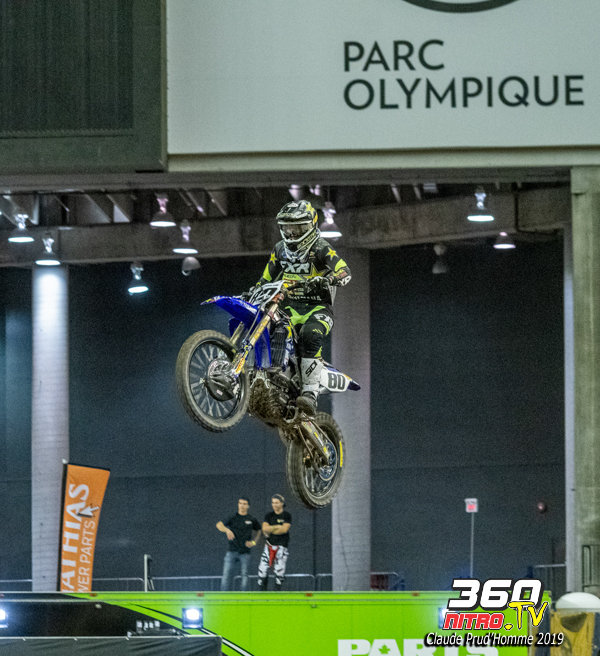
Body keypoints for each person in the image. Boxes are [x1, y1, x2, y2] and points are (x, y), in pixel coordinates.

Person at [250, 200, 352, 416]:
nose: (292, 233)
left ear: (310, 225)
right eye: (287, 227)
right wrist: (254, 291)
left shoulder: (321, 248)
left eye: (297, 227)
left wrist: (328, 280)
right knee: (268, 325)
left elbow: (345, 271)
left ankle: (310, 394)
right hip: (288, 308)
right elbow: (266, 277)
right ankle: (268, 378)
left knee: (310, 334)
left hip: (317, 308)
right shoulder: (280, 249)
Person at [216, 497, 261, 591]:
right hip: (232, 550)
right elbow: (219, 525)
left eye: (244, 504)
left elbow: (259, 530)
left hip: (245, 551)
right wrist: (227, 530)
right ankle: (223, 596)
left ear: (248, 506)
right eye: (240, 503)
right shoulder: (233, 517)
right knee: (226, 574)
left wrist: (254, 542)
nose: (242, 506)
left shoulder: (251, 519)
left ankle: (243, 596)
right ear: (238, 504)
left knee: (244, 575)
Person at [257, 494, 292, 591]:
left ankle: (277, 592)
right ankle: (263, 593)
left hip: (282, 546)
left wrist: (271, 529)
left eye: (276, 502)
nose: (274, 505)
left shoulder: (287, 515)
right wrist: (277, 527)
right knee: (262, 569)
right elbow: (264, 529)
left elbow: (284, 529)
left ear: (282, 503)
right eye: (273, 503)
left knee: (279, 571)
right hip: (269, 545)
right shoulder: (268, 515)